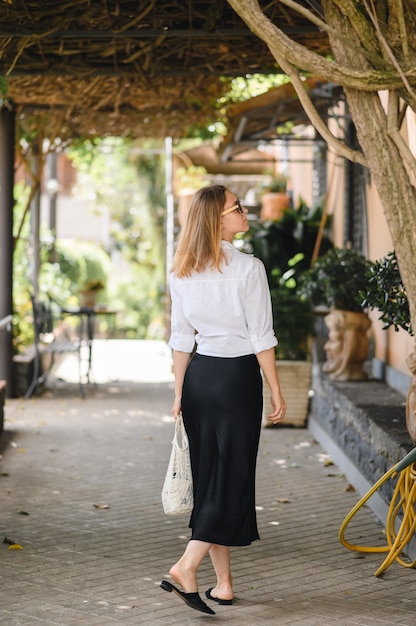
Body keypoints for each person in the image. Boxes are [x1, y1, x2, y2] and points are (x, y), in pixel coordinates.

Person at [160, 184, 287, 615]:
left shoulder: (180, 270)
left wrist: (179, 391)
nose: (245, 212)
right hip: (235, 380)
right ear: (218, 219)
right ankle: (185, 566)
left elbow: (180, 338)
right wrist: (275, 387)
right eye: (237, 207)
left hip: (199, 379)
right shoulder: (249, 268)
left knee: (212, 477)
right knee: (231, 478)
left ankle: (225, 584)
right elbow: (261, 337)